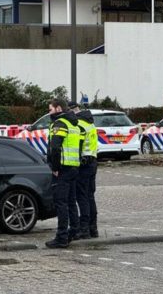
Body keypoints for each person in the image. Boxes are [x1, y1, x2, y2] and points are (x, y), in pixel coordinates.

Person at [45, 98, 82, 249]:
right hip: (74, 166)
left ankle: (61, 237)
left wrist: (55, 167)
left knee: (61, 203)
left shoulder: (60, 123)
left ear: (58, 108)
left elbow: (55, 147)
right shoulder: (74, 123)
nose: (49, 112)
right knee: (71, 201)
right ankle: (74, 231)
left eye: (50, 110)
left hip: (63, 168)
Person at [68, 101, 99, 239]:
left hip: (84, 164)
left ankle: (84, 229)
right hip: (93, 162)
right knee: (90, 196)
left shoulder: (79, 124)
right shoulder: (90, 122)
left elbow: (78, 146)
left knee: (82, 197)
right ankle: (93, 228)